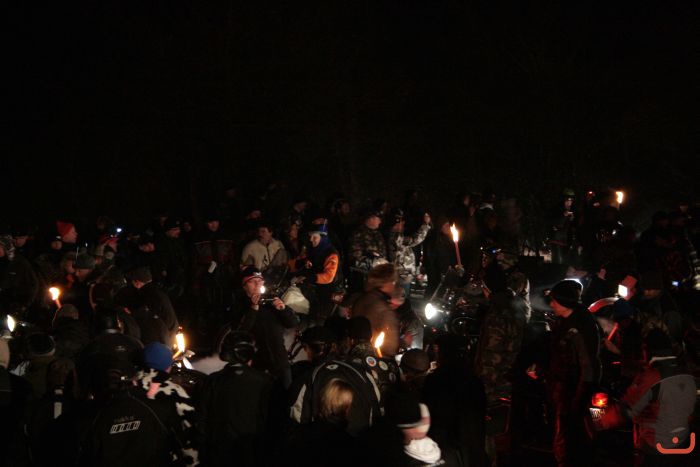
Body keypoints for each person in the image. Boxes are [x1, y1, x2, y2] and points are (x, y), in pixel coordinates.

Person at [599, 329, 697, 466]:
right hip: (682, 442)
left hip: (657, 446)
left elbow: (628, 410)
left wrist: (601, 421)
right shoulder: (687, 372)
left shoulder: (651, 377)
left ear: (648, 350)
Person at [197, 331, 273, 467]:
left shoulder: (213, 381)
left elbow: (202, 420)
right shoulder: (265, 381)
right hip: (251, 452)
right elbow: (269, 420)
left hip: (219, 453)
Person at [546, 279, 601, 467]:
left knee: (570, 440)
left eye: (554, 300)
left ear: (564, 302)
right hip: (564, 390)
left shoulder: (578, 328)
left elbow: (587, 366)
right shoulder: (564, 323)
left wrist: (577, 401)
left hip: (571, 393)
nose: (551, 304)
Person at [228, 266, 298, 388]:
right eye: (253, 281)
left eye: (260, 281)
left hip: (280, 362)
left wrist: (283, 309)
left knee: (285, 394)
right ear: (244, 286)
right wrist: (253, 309)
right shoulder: (240, 307)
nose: (257, 285)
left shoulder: (271, 301)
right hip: (256, 366)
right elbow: (240, 332)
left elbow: (292, 323)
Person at [136, 343, 199, 466]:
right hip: (164, 458)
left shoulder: (130, 387)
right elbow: (188, 430)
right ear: (168, 366)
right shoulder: (175, 392)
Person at [293, 222, 343, 324]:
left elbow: (329, 276)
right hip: (313, 287)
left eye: (314, 237)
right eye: (310, 237)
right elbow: (302, 261)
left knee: (317, 315)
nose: (311, 239)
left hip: (328, 290)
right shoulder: (313, 249)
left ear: (323, 238)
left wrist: (310, 278)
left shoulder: (332, 254)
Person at [351, 264, 401, 357]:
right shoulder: (384, 310)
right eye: (393, 282)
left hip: (355, 352)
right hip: (375, 358)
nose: (394, 286)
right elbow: (390, 347)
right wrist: (403, 343)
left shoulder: (361, 300)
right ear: (387, 283)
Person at [386, 208, 431, 297]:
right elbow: (415, 239)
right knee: (400, 299)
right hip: (400, 277)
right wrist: (425, 225)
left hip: (403, 276)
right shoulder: (395, 237)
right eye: (400, 221)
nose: (403, 223)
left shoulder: (397, 236)